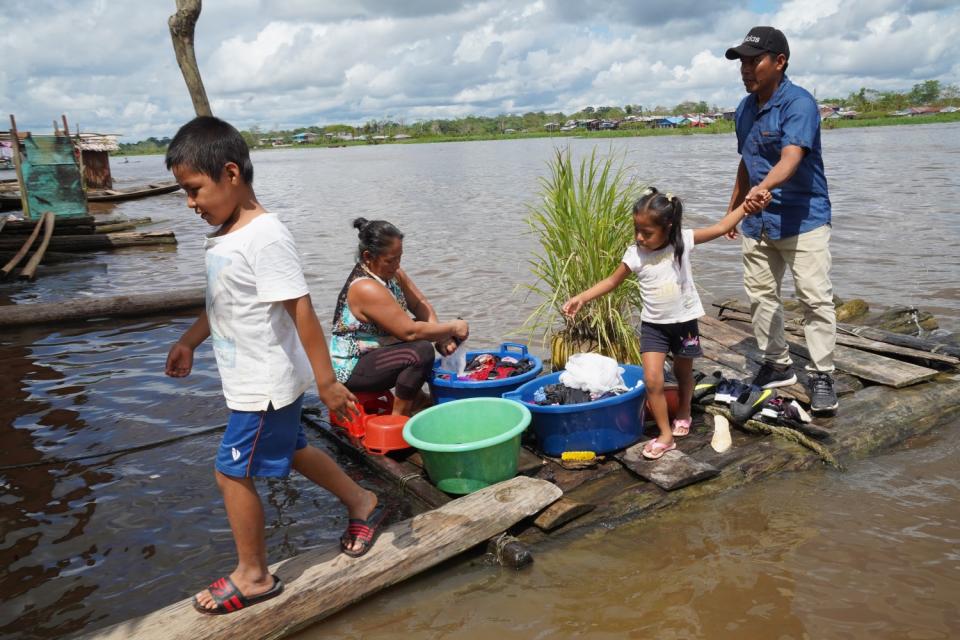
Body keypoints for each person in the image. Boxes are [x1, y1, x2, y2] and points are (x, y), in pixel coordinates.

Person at [164, 116, 387, 616]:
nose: (190, 203)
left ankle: (255, 575)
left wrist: (327, 382)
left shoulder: (265, 236)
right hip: (252, 378)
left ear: (230, 174)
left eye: (194, 189)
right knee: (294, 450)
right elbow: (222, 302)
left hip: (265, 383)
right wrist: (189, 341)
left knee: (230, 471)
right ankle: (363, 502)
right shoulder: (229, 235)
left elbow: (301, 309)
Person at [562, 187, 769, 460]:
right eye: (637, 230)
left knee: (684, 373)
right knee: (652, 380)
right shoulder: (635, 254)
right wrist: (582, 298)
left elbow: (721, 227)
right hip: (654, 327)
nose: (639, 237)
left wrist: (746, 205)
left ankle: (684, 411)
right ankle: (665, 434)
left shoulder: (682, 241)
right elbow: (612, 281)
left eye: (647, 233)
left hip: (684, 325)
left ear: (668, 227)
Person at [724, 26, 839, 413]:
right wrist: (733, 209)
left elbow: (790, 157)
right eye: (742, 62)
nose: (745, 69)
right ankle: (777, 364)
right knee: (760, 296)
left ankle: (822, 373)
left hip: (802, 217)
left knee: (814, 299)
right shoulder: (744, 109)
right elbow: (747, 161)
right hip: (757, 221)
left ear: (779, 62)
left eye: (754, 61)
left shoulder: (799, 104)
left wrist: (762, 189)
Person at [330, 217, 469, 416]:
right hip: (352, 367)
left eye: (399, 257)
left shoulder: (393, 274)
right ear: (368, 256)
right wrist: (453, 327)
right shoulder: (365, 287)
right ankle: (399, 419)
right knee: (420, 351)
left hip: (377, 350)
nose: (396, 265)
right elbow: (409, 332)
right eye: (390, 260)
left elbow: (418, 303)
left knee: (423, 332)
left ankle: (418, 400)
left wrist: (442, 337)